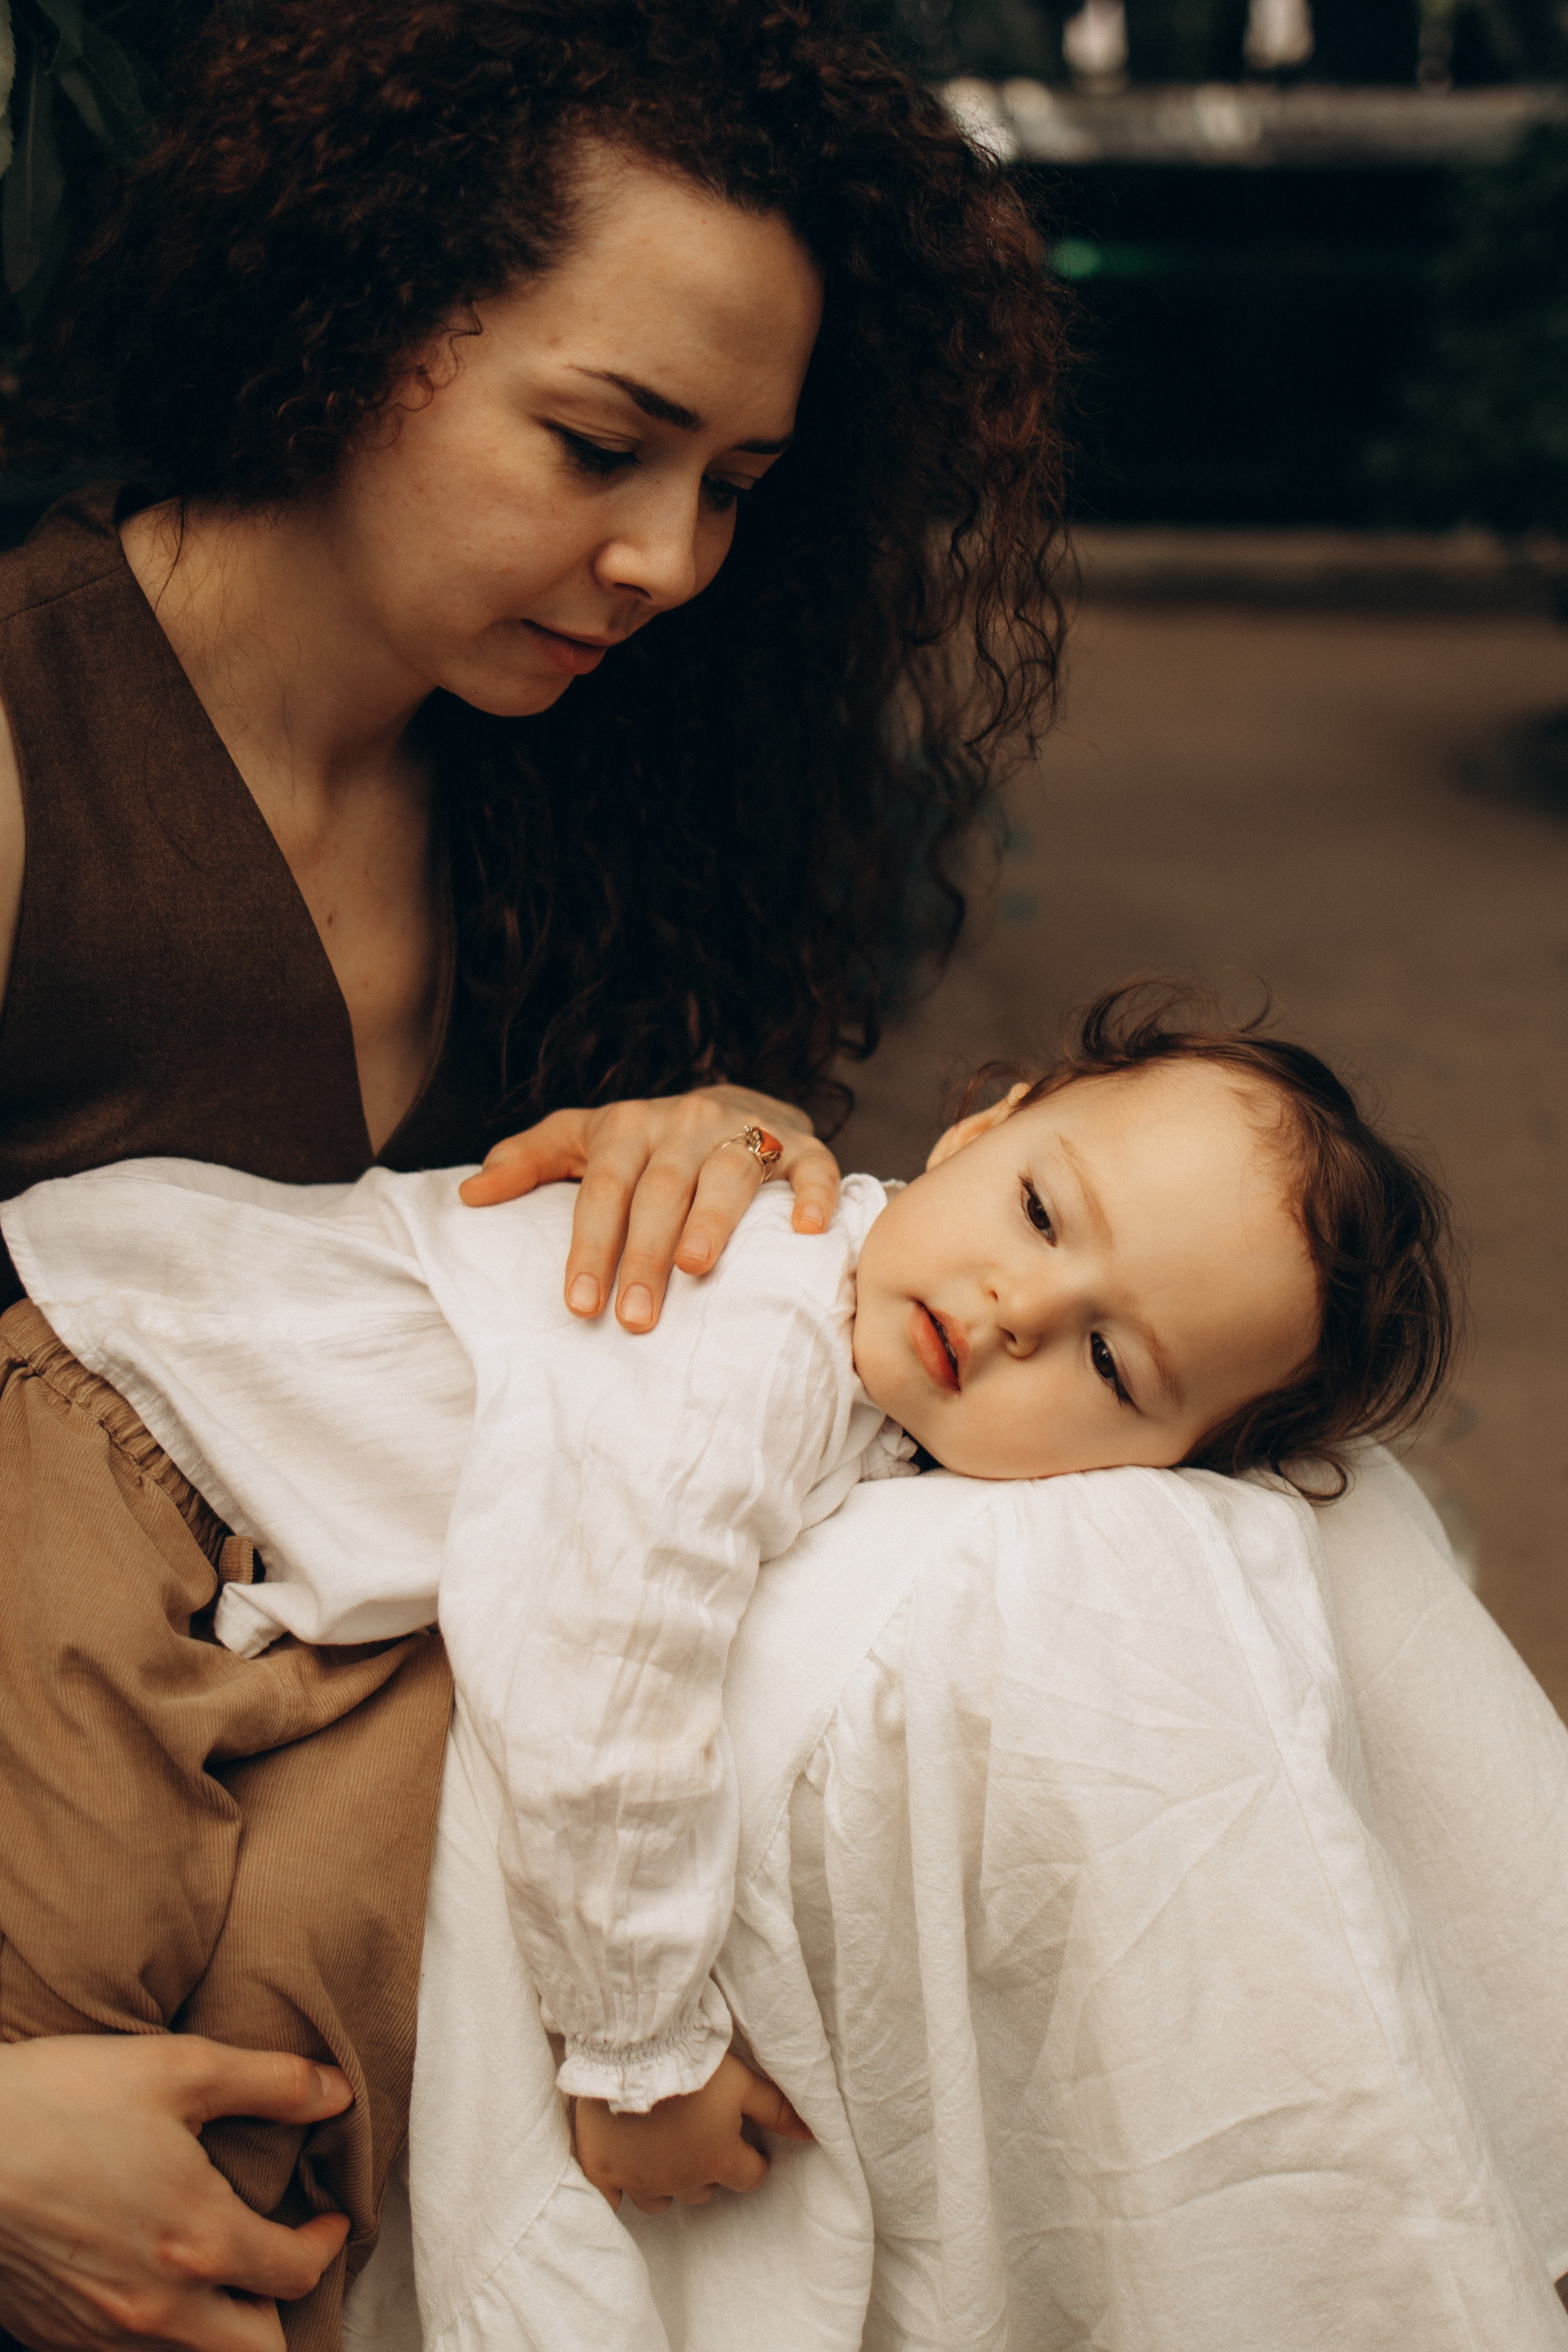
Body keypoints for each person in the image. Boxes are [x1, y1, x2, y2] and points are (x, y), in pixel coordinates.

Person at [0, 0, 1068, 2339]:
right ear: (352, 314)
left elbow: (667, 1416)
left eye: (739, 488)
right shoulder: (26, 755)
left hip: (370, 2058)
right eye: (602, 442)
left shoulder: (593, 798)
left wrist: (742, 1157)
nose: (670, 560)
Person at [1, 984, 1457, 2227]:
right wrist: (641, 2053)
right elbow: (603, 1655)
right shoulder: (754, 1320)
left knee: (260, 1995)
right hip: (119, 1418)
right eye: (1035, 1210)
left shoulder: (890, 1390)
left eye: (1110, 1365)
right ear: (978, 1125)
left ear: (1157, 1471)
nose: (1020, 1308)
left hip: (290, 1562)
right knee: (72, 1945)